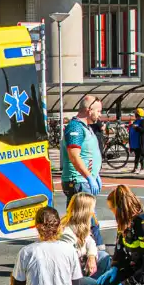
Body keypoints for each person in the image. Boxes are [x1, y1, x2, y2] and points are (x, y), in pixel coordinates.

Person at [61, 96, 105, 246]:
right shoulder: (75, 128)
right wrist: (88, 176)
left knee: (79, 221)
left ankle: (82, 252)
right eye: (98, 111)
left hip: (82, 180)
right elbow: (74, 156)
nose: (100, 114)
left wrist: (95, 174)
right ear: (88, 110)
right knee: (88, 220)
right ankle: (98, 252)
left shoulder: (86, 127)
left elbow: (88, 155)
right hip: (78, 181)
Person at [58, 192, 112, 285]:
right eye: (92, 209)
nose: (94, 212)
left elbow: (90, 242)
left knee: (103, 257)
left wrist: (91, 257)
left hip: (78, 269)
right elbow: (66, 264)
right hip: (68, 278)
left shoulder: (80, 226)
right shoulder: (66, 234)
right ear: (85, 211)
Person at [129, 108, 144, 174]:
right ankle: (135, 168)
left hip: (140, 142)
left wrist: (136, 127)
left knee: (141, 156)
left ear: (139, 114)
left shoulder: (143, 121)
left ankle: (142, 169)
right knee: (136, 156)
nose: (135, 115)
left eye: (136, 114)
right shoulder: (136, 121)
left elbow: (143, 130)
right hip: (135, 143)